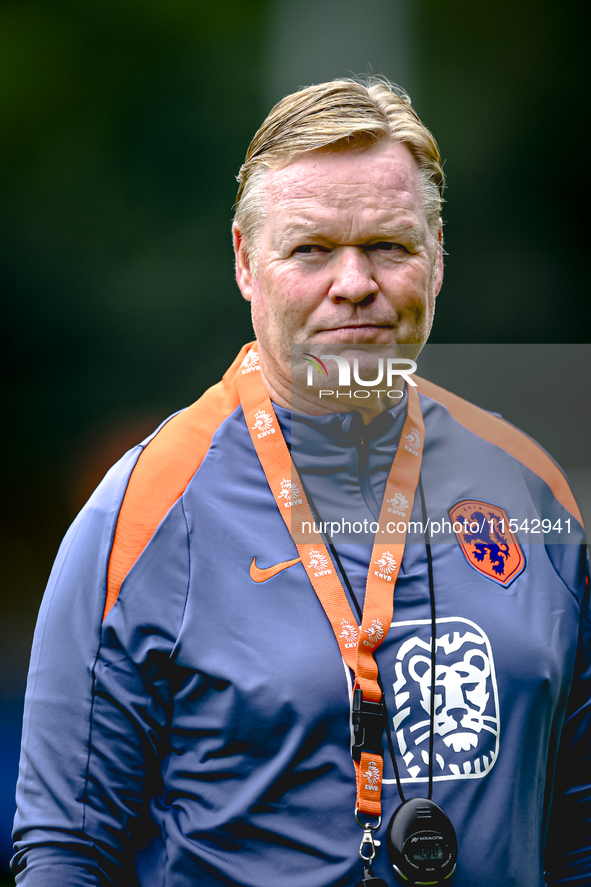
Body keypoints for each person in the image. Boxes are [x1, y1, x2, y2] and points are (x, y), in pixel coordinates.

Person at [12, 78, 590, 887]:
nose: (353, 282)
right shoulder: (142, 511)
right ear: (247, 263)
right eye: (311, 249)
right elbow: (66, 851)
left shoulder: (534, 492)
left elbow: (575, 829)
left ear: (437, 259)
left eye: (388, 246)